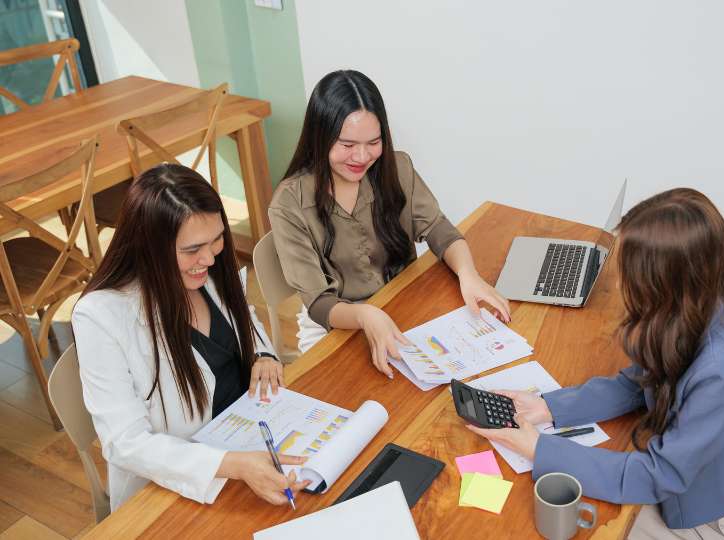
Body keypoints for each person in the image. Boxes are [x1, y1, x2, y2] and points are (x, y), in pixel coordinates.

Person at [468, 188, 724, 539]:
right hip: (692, 486)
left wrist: (540, 449)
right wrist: (548, 406)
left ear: (665, 281)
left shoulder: (723, 370)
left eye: (628, 271)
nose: (619, 282)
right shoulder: (700, 306)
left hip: (720, 520)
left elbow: (658, 475)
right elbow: (638, 382)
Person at [72, 164, 309, 510]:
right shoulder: (101, 316)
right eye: (193, 249)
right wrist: (231, 465)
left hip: (249, 440)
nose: (210, 258)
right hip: (181, 486)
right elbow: (125, 442)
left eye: (217, 240)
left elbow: (245, 316)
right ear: (149, 246)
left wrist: (264, 354)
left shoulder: (206, 273)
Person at [269, 69, 510, 375]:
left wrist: (468, 274)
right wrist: (365, 315)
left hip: (399, 304)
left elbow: (438, 228)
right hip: (335, 324)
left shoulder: (397, 168)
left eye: (373, 142)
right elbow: (318, 304)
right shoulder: (289, 204)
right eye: (347, 144)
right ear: (320, 138)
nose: (362, 156)